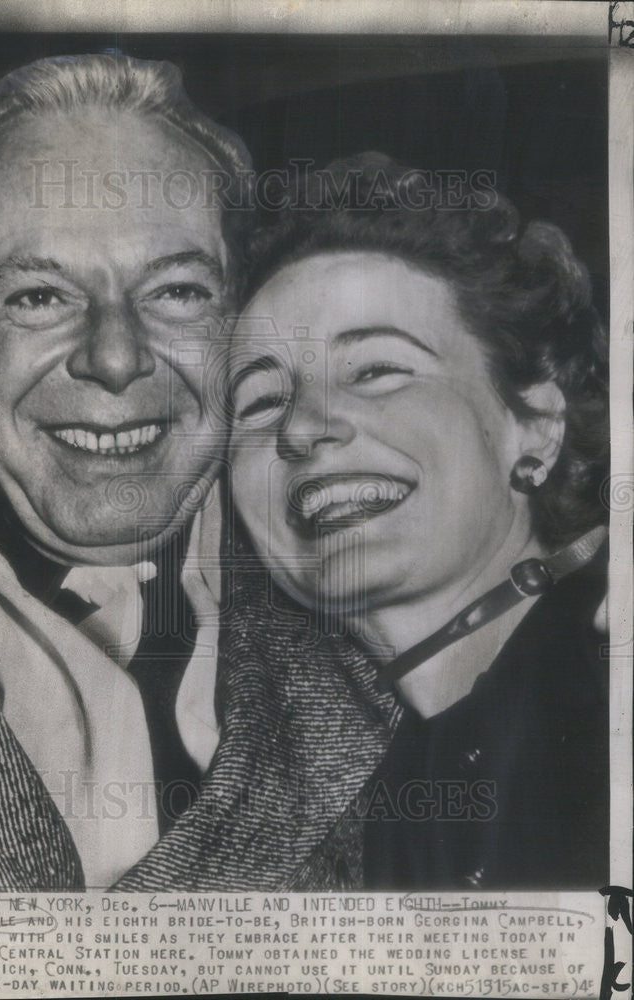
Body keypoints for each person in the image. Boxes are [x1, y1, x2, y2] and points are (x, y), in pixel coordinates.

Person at [0, 56, 399, 892]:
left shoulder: (387, 634)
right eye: (38, 297)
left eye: (174, 291)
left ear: (241, 320)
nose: (116, 357)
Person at [227, 153, 609, 889]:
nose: (301, 430)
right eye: (260, 402)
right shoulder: (374, 794)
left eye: (374, 370)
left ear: (532, 425)